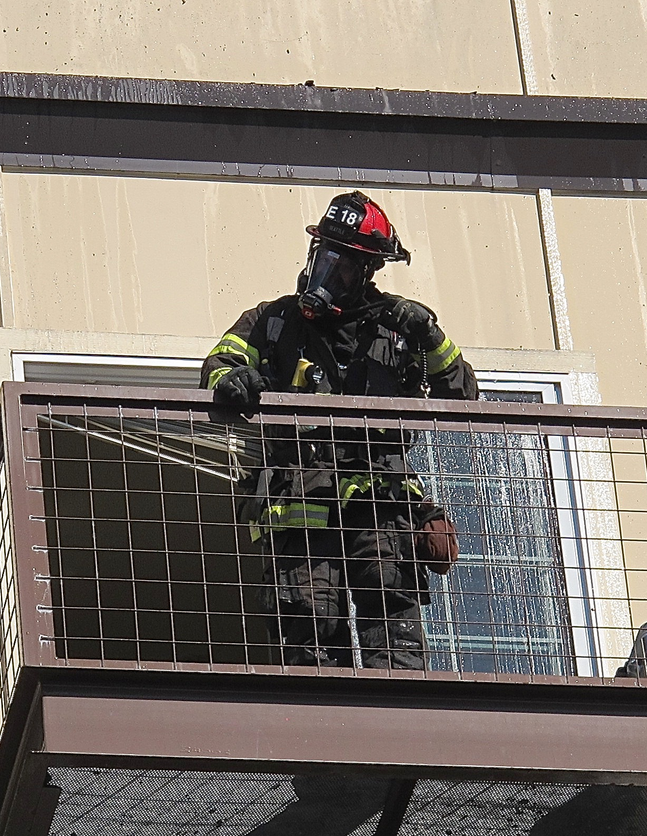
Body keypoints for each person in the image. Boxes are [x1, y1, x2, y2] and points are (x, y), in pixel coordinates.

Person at [200, 192, 476, 669]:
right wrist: (234, 380)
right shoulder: (273, 321)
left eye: (343, 264)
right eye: (323, 256)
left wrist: (429, 335)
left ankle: (399, 729)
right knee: (308, 638)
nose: (328, 271)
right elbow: (220, 366)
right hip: (301, 506)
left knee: (392, 630)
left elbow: (463, 398)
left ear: (367, 270)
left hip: (382, 506)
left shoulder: (397, 329)